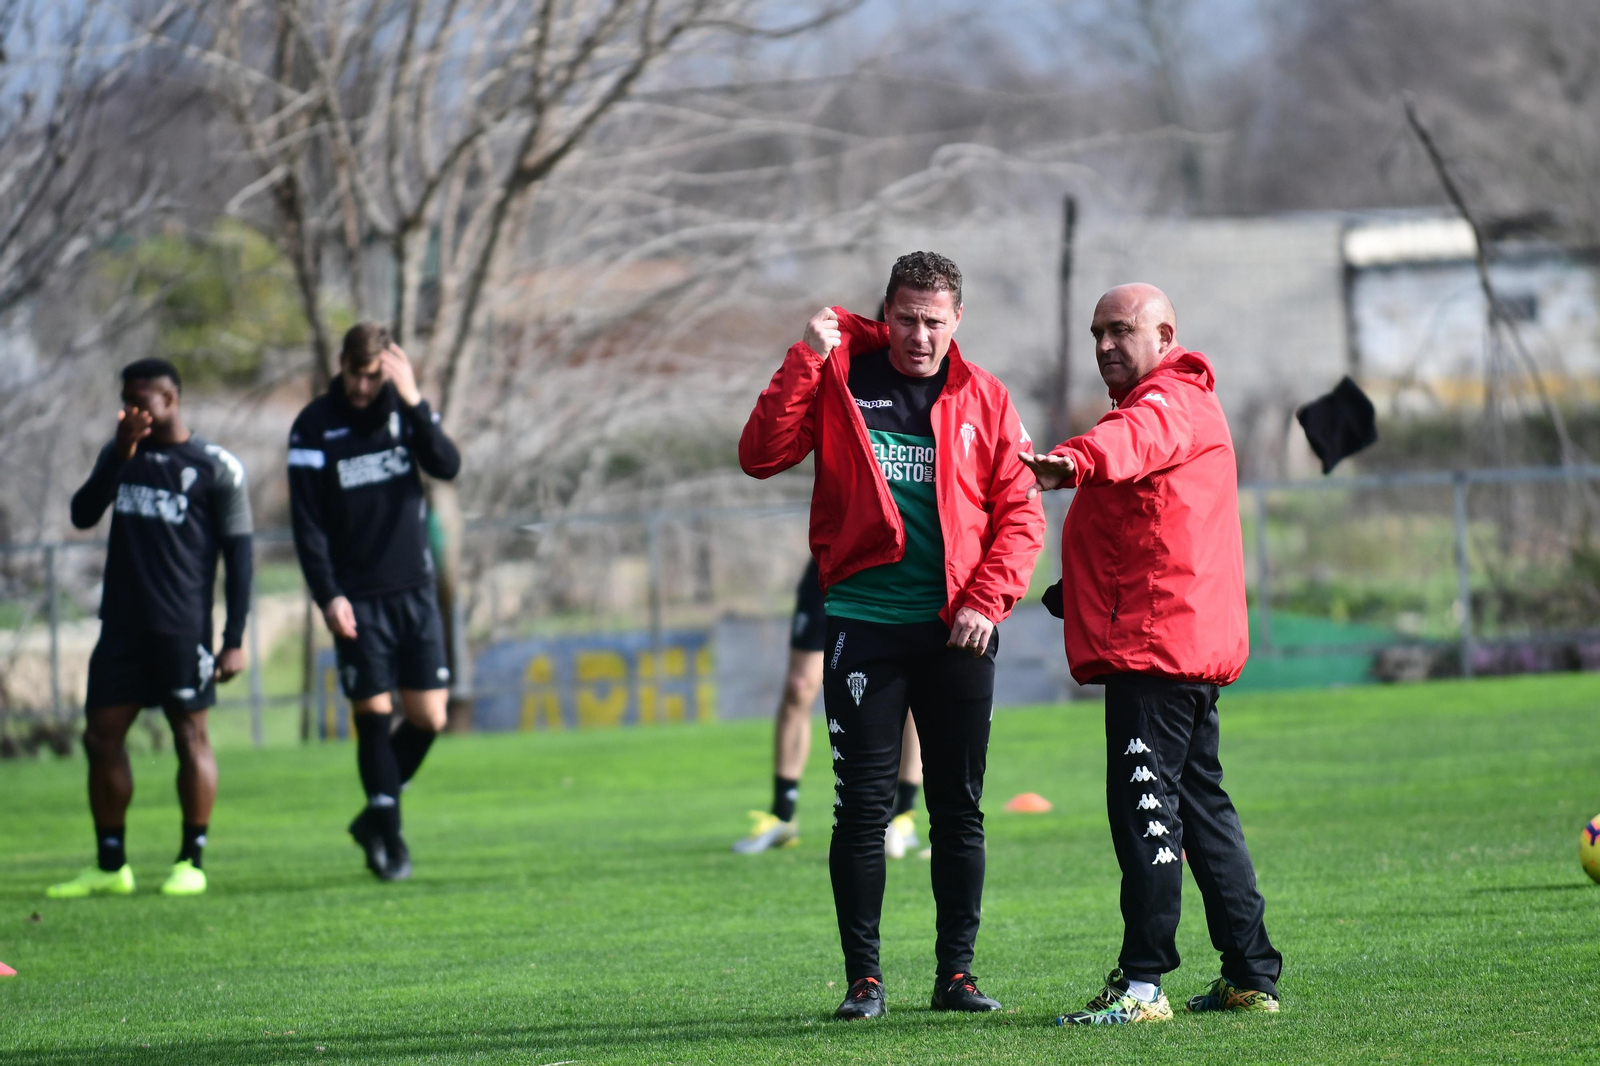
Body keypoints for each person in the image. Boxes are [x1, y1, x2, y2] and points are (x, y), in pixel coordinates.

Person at [740, 251, 1045, 1020]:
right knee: (862, 810)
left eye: (934, 322)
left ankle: (957, 977)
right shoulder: (841, 375)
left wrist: (989, 600)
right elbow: (760, 455)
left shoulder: (986, 398)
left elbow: (1021, 515)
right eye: (906, 318)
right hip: (865, 627)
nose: (918, 335)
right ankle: (864, 981)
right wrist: (805, 359)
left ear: (957, 322)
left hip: (958, 633)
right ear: (888, 313)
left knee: (959, 808)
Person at [1020, 283, 1283, 1025]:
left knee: (1145, 810)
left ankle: (1142, 987)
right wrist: (1080, 590)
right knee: (1202, 812)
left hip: (1156, 652)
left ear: (1165, 335)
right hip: (1175, 643)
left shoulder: (1167, 404)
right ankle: (1250, 973)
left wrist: (1069, 463)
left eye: (1121, 330)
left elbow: (1127, 447)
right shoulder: (1169, 406)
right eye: (1096, 332)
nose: (1105, 345)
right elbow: (1152, 529)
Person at [48, 358, 253, 899]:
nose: (132, 409)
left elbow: (241, 557)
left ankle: (192, 860)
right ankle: (111, 865)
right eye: (126, 398)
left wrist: (233, 639)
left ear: (171, 398)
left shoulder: (215, 466)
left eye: (143, 398)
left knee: (191, 737)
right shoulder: (121, 456)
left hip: (181, 630)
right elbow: (82, 514)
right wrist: (119, 453)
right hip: (120, 629)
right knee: (100, 738)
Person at [288, 323, 461, 882]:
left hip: (413, 590)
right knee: (373, 716)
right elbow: (307, 524)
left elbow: (447, 464)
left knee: (430, 716)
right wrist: (328, 595)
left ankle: (374, 813)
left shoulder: (402, 411)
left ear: (386, 368)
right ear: (340, 363)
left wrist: (413, 398)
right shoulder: (313, 426)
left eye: (372, 375)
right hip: (356, 599)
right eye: (353, 373)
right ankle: (389, 838)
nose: (362, 386)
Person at [732, 558, 927, 858]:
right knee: (799, 685)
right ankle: (783, 816)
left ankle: (903, 815)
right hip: (837, 559)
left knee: (907, 677)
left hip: (897, 561)